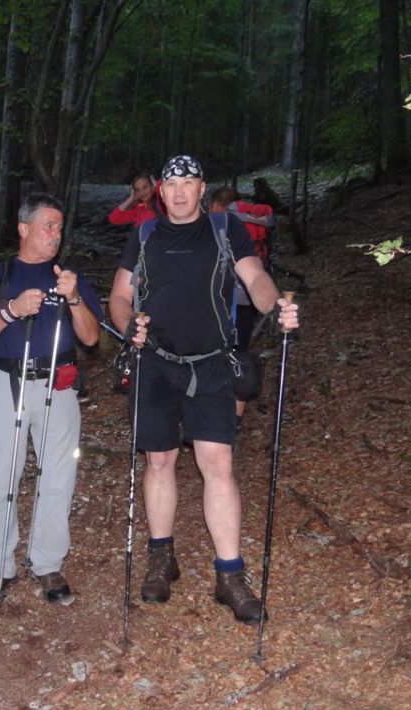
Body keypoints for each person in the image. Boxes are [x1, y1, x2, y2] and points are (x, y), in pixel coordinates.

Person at [108, 155, 299, 623]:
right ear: (160, 191)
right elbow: (118, 296)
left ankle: (230, 575)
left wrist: (276, 309)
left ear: (201, 188)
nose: (178, 192)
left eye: (188, 183)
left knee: (218, 463)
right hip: (155, 362)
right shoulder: (146, 234)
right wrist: (128, 324)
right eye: (171, 184)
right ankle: (161, 557)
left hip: (213, 363)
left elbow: (254, 278)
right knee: (159, 460)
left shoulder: (224, 229)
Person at [0, 193, 102, 605]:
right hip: (7, 384)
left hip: (58, 387)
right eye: (49, 225)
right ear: (24, 228)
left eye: (60, 227)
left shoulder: (69, 279)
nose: (56, 234)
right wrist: (10, 311)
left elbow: (91, 337)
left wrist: (74, 298)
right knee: (3, 478)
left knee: (58, 479)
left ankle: (47, 564)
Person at [208, 186, 276, 433]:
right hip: (250, 297)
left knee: (223, 353)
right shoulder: (251, 216)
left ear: (217, 204)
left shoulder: (226, 222)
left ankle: (223, 415)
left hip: (229, 298)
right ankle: (233, 420)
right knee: (239, 353)